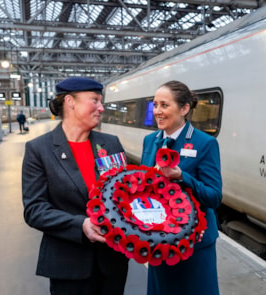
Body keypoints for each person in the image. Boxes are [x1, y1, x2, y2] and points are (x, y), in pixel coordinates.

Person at [22, 77, 129, 295]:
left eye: (101, 101)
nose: (101, 107)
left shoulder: (111, 143)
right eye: (95, 100)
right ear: (70, 101)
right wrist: (81, 225)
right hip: (68, 265)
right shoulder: (39, 150)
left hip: (112, 263)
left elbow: (126, 193)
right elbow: (34, 210)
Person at [141, 80, 222, 295]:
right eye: (155, 105)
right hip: (159, 241)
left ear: (184, 108)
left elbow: (214, 197)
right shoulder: (150, 141)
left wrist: (182, 176)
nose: (157, 111)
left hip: (194, 245)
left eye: (164, 105)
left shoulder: (205, 143)